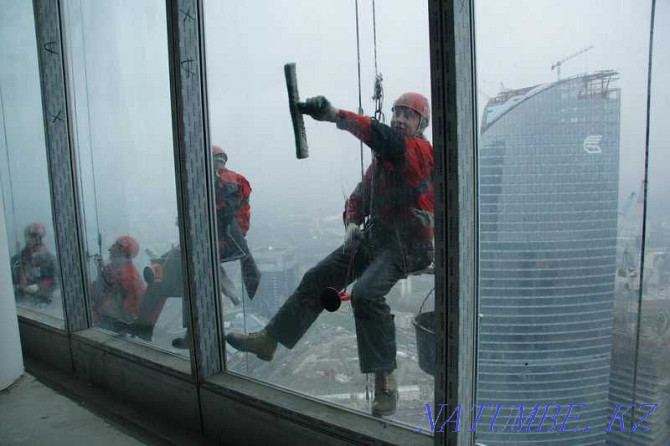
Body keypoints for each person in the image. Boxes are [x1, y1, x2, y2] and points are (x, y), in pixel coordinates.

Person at [226, 92, 434, 416]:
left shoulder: (416, 151)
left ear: (422, 124)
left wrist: (336, 115)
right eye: (397, 113)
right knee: (317, 278)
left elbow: (382, 136)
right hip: (380, 237)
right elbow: (360, 195)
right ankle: (269, 340)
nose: (400, 119)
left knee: (365, 294)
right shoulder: (383, 162)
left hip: (408, 244)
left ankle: (386, 386)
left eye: (409, 115)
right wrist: (352, 222)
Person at [170, 146, 261, 349]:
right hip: (225, 236)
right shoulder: (216, 180)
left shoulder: (226, 178)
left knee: (193, 274)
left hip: (227, 237)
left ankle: (195, 332)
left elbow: (225, 213)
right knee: (194, 273)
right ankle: (196, 330)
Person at [91, 235, 146, 332]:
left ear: (122, 252)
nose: (109, 249)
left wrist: (94, 314)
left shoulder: (129, 278)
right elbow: (96, 290)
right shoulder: (112, 268)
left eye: (114, 246)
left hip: (117, 326)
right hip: (109, 318)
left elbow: (115, 310)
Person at [11, 222, 58, 305]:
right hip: (21, 299)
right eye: (27, 236)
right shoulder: (18, 258)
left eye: (32, 236)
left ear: (39, 238)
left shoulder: (50, 259)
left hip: (43, 300)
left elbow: (56, 280)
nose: (28, 239)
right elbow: (11, 279)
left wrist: (39, 286)